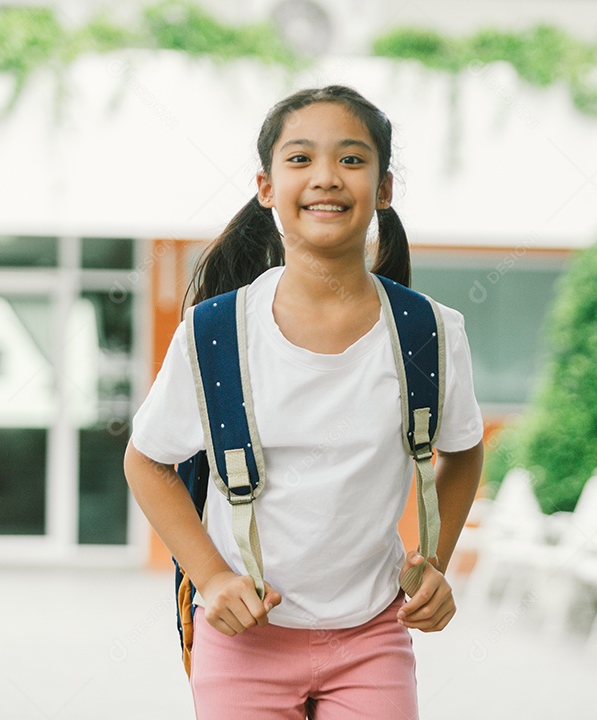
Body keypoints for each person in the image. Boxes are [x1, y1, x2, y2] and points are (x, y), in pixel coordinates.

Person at [123, 85, 485, 720]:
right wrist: (211, 576)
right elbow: (147, 461)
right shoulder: (215, 333)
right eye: (300, 159)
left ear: (384, 188)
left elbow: (463, 450)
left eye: (351, 159)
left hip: (373, 633)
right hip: (244, 642)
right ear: (267, 187)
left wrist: (437, 561)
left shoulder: (428, 332)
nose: (326, 177)